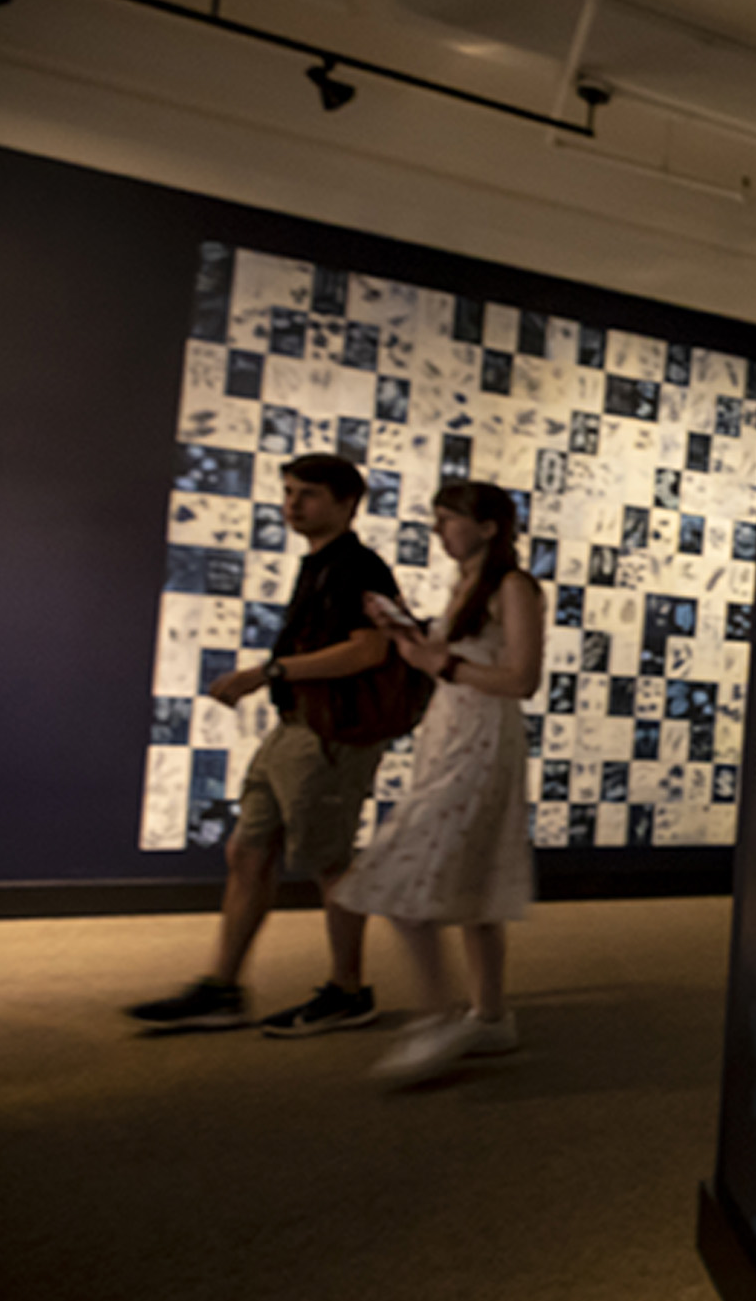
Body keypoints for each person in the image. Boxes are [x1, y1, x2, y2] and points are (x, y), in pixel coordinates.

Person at [126, 454, 408, 1035]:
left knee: (331, 863)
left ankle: (349, 991)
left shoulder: (359, 566)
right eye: (288, 492)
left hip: (331, 735)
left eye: (306, 494)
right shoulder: (321, 565)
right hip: (295, 730)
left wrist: (269, 672)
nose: (292, 504)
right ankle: (223, 987)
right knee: (248, 851)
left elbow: (369, 650)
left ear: (346, 503)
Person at [335, 481, 543, 1086]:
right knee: (472, 882)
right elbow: (439, 659)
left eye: (449, 519)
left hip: (479, 741)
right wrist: (404, 634)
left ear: (488, 526)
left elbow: (522, 679)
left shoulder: (513, 585)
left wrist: (438, 661)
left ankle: (442, 1014)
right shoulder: (468, 587)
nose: (439, 530)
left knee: (405, 874)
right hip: (450, 733)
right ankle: (490, 1013)